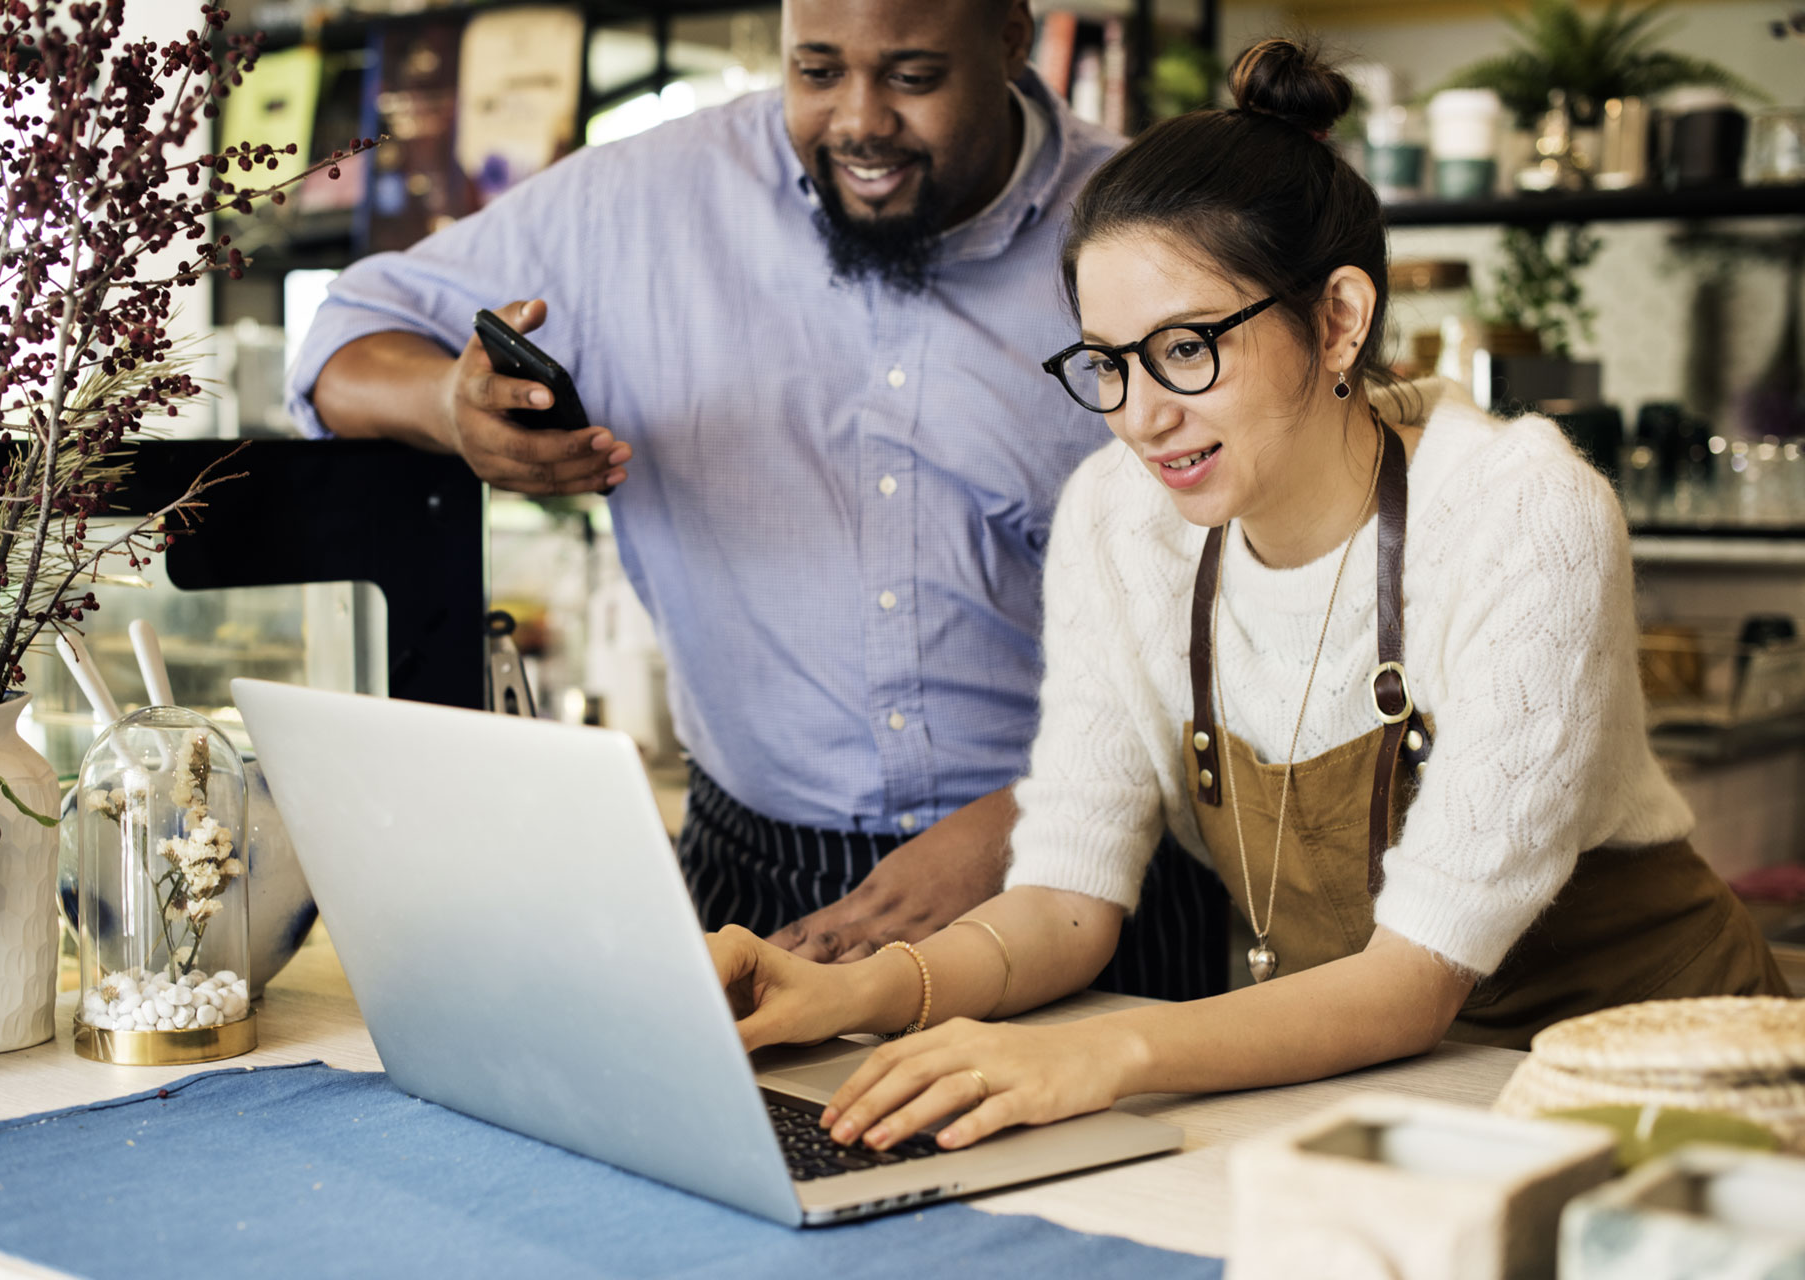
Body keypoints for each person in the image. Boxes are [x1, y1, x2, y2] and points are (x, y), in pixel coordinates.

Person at [707, 38, 1790, 1158]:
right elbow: (1068, 900)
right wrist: (853, 992)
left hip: (1675, 1086)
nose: (1139, 415)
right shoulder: (1117, 518)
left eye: (1184, 348)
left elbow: (1411, 979)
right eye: (1107, 362)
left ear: (1337, 320)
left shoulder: (1523, 514)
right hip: (1401, 1097)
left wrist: (1103, 1054)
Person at [288, 0, 1231, 997]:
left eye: (912, 77)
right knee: (771, 1153)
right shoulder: (640, 203)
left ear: (1010, 38)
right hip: (764, 881)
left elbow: (1278, 596)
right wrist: (449, 402)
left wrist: (1039, 818)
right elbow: (345, 338)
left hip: (1100, 863)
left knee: (1129, 1150)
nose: (860, 121)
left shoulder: (1151, 230)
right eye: (817, 72)